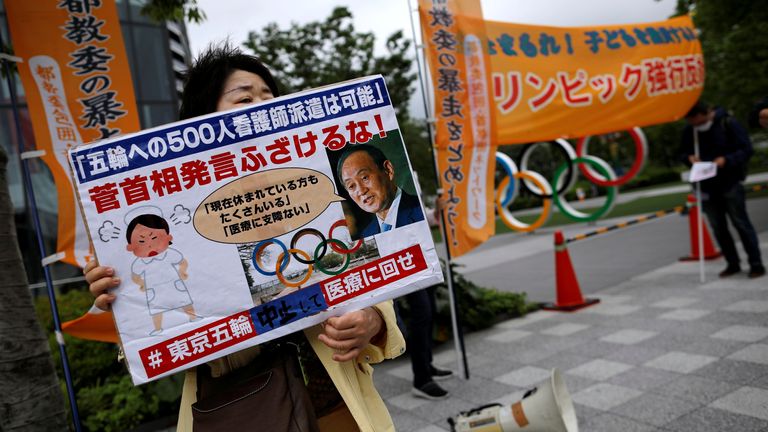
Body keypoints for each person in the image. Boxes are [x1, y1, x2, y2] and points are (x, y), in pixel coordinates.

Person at [85, 43, 406, 432]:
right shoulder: (168, 210)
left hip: (337, 399)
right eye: (244, 98)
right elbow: (158, 332)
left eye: (269, 96)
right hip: (241, 408)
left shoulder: (305, 182)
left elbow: (363, 267)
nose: (261, 105)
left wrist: (372, 318)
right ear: (201, 119)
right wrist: (118, 299)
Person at [681, 101, 765, 278]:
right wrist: (689, 158)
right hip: (705, 186)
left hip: (730, 182)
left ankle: (756, 263)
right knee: (718, 227)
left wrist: (727, 160)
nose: (695, 124)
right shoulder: (690, 132)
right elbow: (682, 152)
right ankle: (732, 263)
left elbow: (746, 149)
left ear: (705, 113)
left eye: (696, 119)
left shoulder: (727, 123)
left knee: (741, 223)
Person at [124, 206, 198, 336]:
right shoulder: (140, 262)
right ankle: (158, 329)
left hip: (173, 283)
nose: (149, 244)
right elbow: (135, 275)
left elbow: (182, 262)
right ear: (131, 247)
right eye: (141, 241)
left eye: (154, 238)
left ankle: (193, 317)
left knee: (184, 301)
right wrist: (141, 283)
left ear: (168, 238)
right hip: (154, 288)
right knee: (156, 309)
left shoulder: (169, 254)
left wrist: (182, 271)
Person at [337, 144, 424, 237]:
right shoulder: (366, 235)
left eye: (364, 177)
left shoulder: (421, 212)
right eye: (351, 186)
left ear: (388, 170)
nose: (361, 191)